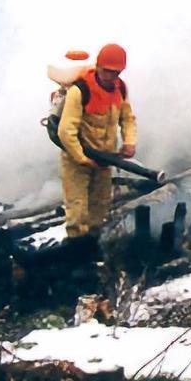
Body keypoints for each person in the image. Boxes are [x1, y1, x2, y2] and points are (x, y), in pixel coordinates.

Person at [57, 43, 137, 239]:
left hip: (104, 159)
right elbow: (66, 131)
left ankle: (94, 244)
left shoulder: (120, 89)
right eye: (106, 71)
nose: (109, 76)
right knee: (77, 208)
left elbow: (127, 118)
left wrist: (129, 142)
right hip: (77, 159)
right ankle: (76, 249)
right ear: (98, 66)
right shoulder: (80, 91)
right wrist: (82, 158)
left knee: (100, 205)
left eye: (114, 72)